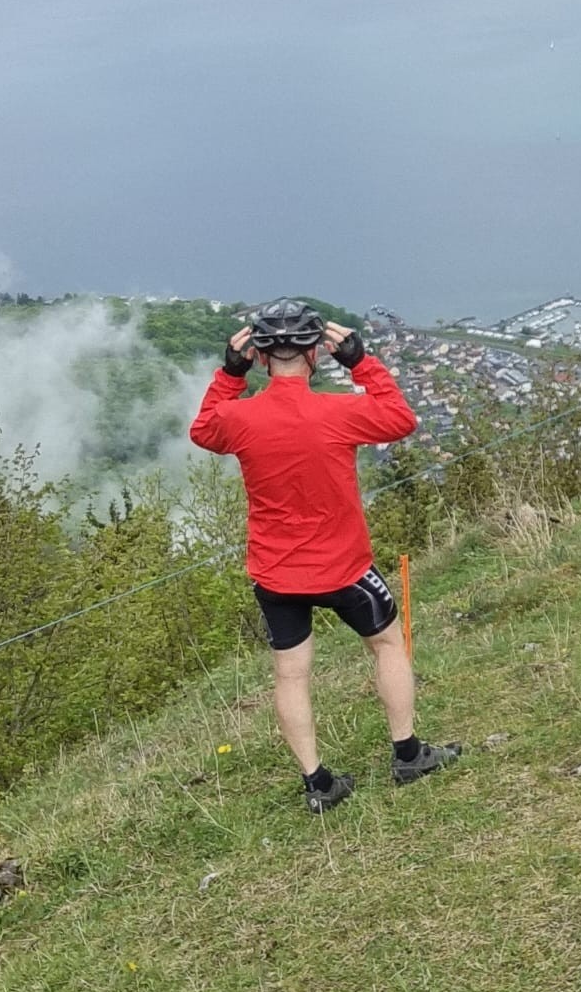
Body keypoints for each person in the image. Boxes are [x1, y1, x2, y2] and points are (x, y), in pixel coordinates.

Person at [189, 298, 458, 814]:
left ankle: (318, 785)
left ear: (261, 358)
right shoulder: (340, 410)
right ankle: (408, 755)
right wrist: (361, 361)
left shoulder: (239, 418)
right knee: (385, 645)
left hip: (275, 572)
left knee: (291, 674)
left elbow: (203, 431)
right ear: (315, 354)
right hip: (345, 567)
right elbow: (401, 419)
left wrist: (229, 374)